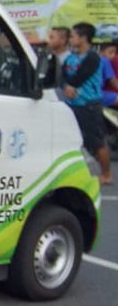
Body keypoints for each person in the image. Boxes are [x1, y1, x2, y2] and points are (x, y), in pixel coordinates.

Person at [61, 22, 112, 184]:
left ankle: (106, 174)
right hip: (73, 104)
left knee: (96, 141)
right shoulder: (70, 57)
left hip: (89, 105)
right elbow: (61, 76)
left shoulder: (93, 57)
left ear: (83, 38)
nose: (71, 39)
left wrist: (70, 85)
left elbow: (82, 75)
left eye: (74, 36)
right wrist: (65, 86)